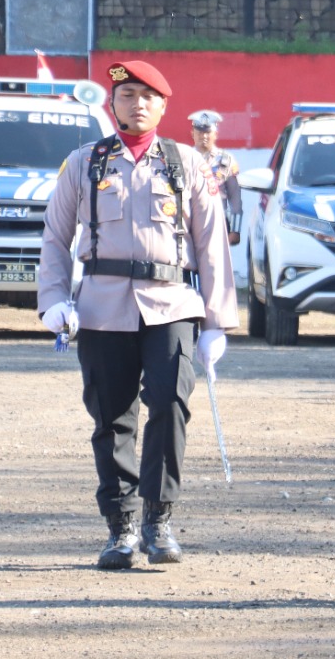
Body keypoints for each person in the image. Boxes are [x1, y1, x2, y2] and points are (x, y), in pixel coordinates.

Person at [37, 61, 238, 570]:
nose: (138, 103)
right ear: (113, 102)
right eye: (127, 94)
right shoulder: (84, 163)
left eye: (148, 95)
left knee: (170, 406)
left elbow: (212, 246)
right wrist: (54, 300)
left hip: (171, 305)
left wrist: (218, 323)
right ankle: (121, 526)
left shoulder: (187, 163)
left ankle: (158, 519)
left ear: (164, 106)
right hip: (102, 307)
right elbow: (56, 239)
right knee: (112, 418)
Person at [188, 110, 243, 246]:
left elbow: (235, 196)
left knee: (215, 264)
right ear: (192, 134)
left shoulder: (226, 160)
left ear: (215, 134)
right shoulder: (184, 158)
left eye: (208, 132)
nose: (203, 136)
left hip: (218, 221)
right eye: (199, 132)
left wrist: (235, 230)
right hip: (189, 221)